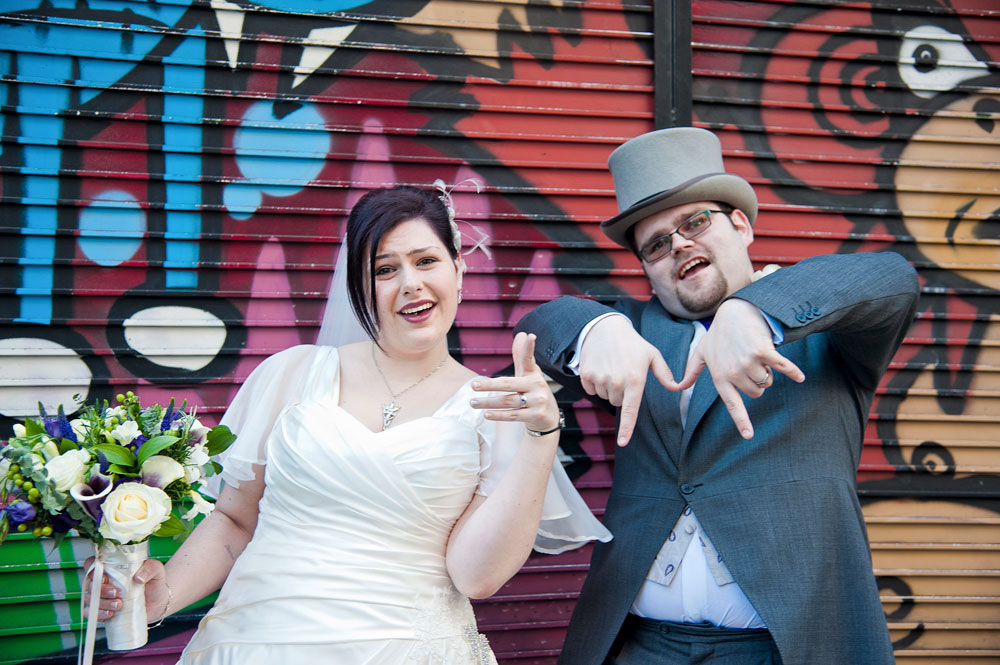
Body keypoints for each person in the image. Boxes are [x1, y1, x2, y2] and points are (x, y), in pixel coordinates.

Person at [85, 184, 611, 664]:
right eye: (384, 269)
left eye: (426, 260)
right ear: (358, 284)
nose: (410, 284)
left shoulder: (497, 410)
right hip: (254, 644)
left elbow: (476, 576)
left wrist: (542, 438)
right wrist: (164, 593)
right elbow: (235, 520)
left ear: (458, 270)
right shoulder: (290, 375)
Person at [516, 127, 919, 665]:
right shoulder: (631, 328)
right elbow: (541, 325)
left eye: (696, 222)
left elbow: (892, 278)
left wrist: (755, 309)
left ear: (742, 225)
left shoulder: (830, 336)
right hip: (639, 647)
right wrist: (595, 329)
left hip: (783, 649)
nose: (679, 244)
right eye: (656, 244)